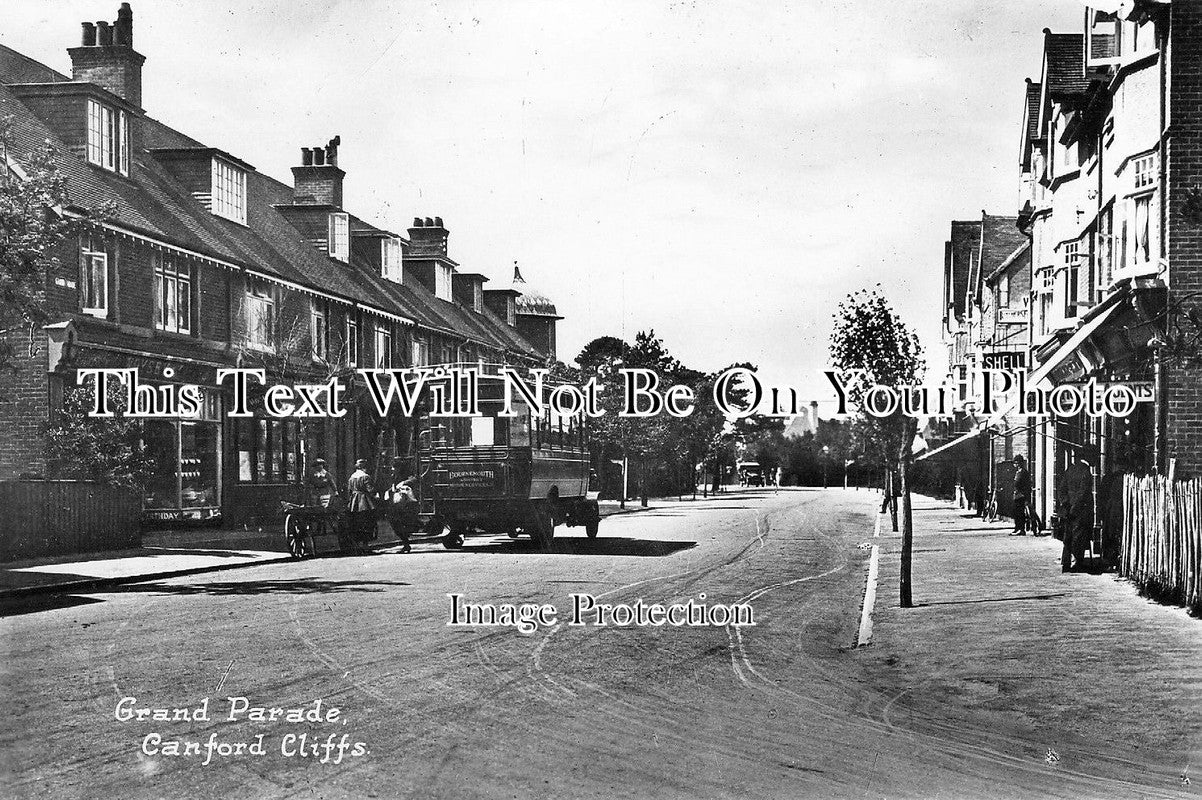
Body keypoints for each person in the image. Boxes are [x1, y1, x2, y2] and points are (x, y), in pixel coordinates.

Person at [1061, 451, 1095, 572]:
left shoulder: (1069, 470)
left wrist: (1066, 505)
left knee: (1068, 535)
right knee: (1078, 536)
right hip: (1080, 510)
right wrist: (1075, 508)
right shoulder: (1086, 472)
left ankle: (1066, 562)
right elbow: (1083, 493)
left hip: (1068, 509)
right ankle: (1077, 563)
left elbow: (1062, 489)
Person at [385, 457, 419, 554]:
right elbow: (392, 486)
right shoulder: (394, 475)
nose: (392, 469)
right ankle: (406, 543)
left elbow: (414, 480)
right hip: (396, 502)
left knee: (402, 522)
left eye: (394, 467)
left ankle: (406, 544)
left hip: (406, 503)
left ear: (399, 467)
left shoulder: (407, 475)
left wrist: (404, 483)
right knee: (396, 523)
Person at [346, 458, 379, 554]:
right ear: (364, 467)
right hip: (364, 502)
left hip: (354, 503)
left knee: (356, 524)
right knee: (367, 523)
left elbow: (349, 491)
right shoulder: (365, 477)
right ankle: (365, 546)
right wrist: (375, 496)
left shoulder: (352, 477)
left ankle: (357, 546)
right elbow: (370, 489)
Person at [1010, 455, 1031, 536]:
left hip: (1021, 495)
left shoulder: (1023, 472)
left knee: (1020, 513)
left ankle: (1021, 529)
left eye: (1016, 463)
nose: (1015, 465)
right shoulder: (1018, 472)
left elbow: (1020, 483)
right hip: (1017, 495)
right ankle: (1017, 528)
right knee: (1016, 513)